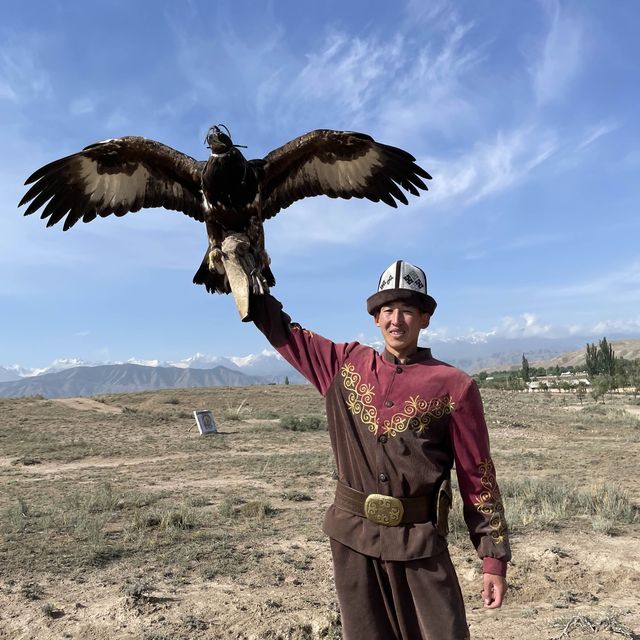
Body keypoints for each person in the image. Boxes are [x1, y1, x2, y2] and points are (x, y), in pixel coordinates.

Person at [248, 259, 511, 640]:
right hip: (353, 541)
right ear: (375, 318)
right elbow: (284, 333)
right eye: (387, 309)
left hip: (419, 543)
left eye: (407, 309)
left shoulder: (455, 387)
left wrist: (492, 559)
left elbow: (477, 477)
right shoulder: (344, 365)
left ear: (425, 318)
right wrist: (248, 286)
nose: (396, 319)